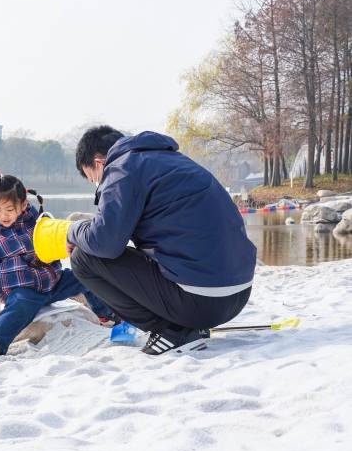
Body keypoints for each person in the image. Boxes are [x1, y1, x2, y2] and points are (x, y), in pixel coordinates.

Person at [67, 126, 257, 355]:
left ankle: (172, 331)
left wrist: (72, 230)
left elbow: (104, 243)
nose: (98, 185)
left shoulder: (121, 169)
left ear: (99, 163)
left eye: (93, 179)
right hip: (238, 294)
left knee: (82, 258)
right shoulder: (170, 159)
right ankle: (186, 325)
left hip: (202, 302)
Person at [0, 174, 116, 356]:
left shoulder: (38, 221)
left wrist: (70, 244)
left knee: (84, 275)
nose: (3, 216)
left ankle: (106, 315)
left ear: (22, 205)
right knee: (20, 305)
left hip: (53, 282)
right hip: (22, 290)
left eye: (8, 210)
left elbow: (57, 239)